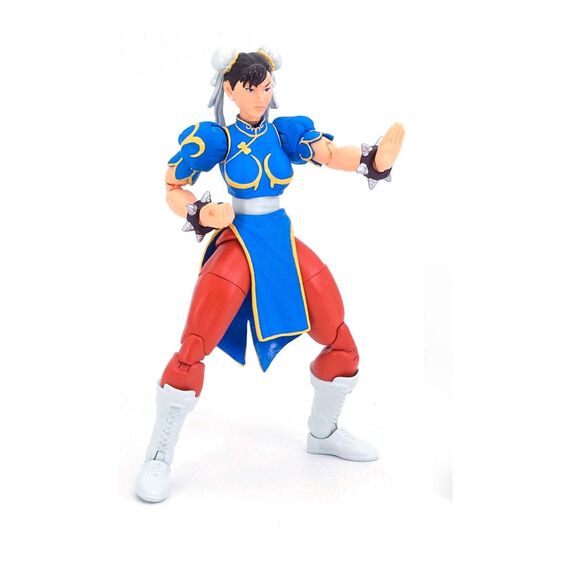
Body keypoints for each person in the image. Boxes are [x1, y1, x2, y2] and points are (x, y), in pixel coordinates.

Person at [136, 48, 405, 502]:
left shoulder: (285, 132)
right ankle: (158, 456)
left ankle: (323, 433)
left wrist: (373, 160)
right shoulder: (218, 139)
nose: (261, 96)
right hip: (238, 244)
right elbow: (172, 186)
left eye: (265, 87)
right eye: (251, 88)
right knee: (193, 347)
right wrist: (201, 212)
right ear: (230, 90)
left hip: (281, 242)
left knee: (341, 341)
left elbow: (330, 155)